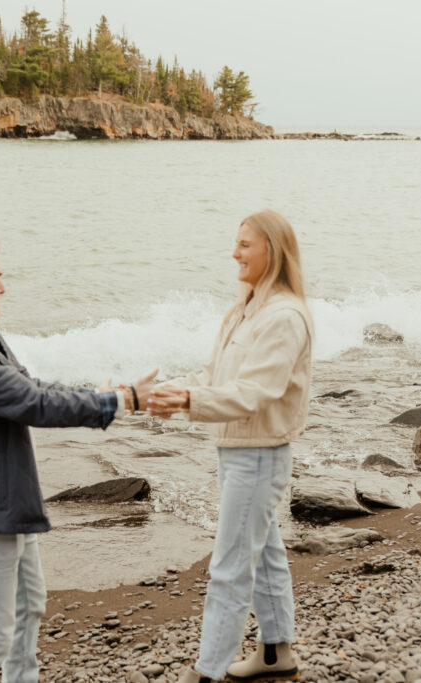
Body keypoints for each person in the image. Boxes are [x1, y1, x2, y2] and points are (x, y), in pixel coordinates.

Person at [0, 235, 155, 683]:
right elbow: (33, 405)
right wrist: (121, 401)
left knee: (27, 606)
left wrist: (106, 397)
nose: (3, 287)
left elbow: (34, 388)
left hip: (7, 494)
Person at [149, 210, 314, 683]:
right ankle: (275, 653)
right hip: (239, 449)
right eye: (236, 243)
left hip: (259, 454)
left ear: (272, 251)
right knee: (262, 553)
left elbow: (255, 393)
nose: (234, 253)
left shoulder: (283, 315)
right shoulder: (248, 307)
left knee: (230, 567)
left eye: (244, 244)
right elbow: (216, 376)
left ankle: (207, 672)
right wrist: (167, 391)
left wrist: (187, 400)